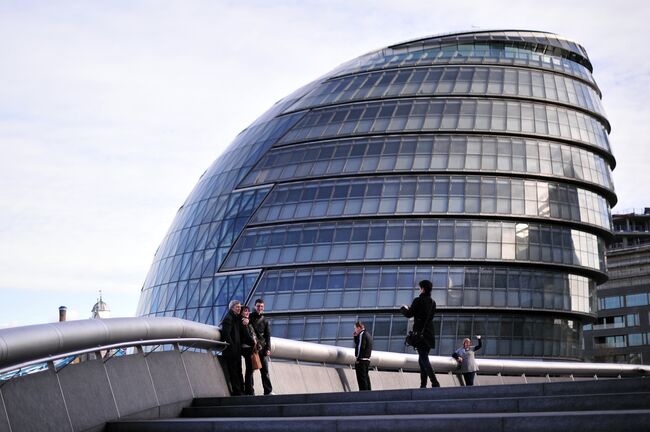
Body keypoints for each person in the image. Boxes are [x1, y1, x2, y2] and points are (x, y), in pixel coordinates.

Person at [400, 279, 440, 388]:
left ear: (422, 289)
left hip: (420, 335)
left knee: (424, 359)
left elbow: (409, 314)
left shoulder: (418, 300)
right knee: (422, 359)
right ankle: (423, 385)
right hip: (429, 334)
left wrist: (403, 308)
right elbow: (429, 317)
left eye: (419, 288)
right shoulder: (433, 302)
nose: (419, 289)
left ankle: (434, 382)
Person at [220, 299, 245, 395]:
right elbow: (226, 334)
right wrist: (233, 347)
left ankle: (240, 390)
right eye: (237, 307)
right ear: (232, 308)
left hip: (236, 350)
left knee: (238, 370)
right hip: (231, 351)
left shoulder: (235, 317)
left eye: (239, 307)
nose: (239, 308)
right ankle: (237, 391)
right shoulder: (228, 318)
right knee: (234, 371)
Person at [249, 298, 274, 395]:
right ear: (255, 306)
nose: (260, 308)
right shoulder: (249, 317)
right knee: (250, 371)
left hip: (262, 349)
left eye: (261, 306)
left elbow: (268, 336)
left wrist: (268, 349)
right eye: (258, 306)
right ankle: (250, 391)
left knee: (265, 371)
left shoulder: (265, 320)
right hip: (253, 349)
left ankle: (268, 391)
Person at [240, 305, 258, 395]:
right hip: (247, 348)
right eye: (245, 311)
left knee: (250, 369)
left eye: (248, 311)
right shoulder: (243, 322)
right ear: (241, 312)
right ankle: (249, 390)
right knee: (250, 369)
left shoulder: (247, 321)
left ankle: (250, 389)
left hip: (248, 347)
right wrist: (253, 343)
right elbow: (247, 335)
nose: (247, 312)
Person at [353, 321, 373, 391]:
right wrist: (356, 337)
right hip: (367, 359)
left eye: (355, 328)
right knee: (366, 377)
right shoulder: (368, 334)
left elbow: (360, 347)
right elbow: (360, 343)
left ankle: (363, 393)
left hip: (362, 360)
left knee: (361, 379)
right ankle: (368, 393)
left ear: (359, 328)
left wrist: (357, 358)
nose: (355, 330)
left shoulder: (362, 334)